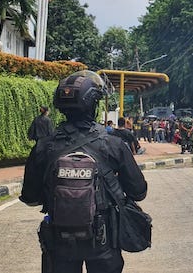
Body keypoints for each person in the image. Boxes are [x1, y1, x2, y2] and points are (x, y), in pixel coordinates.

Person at [20, 70, 148, 273]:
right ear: (93, 105)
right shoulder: (113, 144)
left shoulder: (44, 146)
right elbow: (139, 191)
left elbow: (30, 197)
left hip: (59, 242)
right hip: (104, 240)